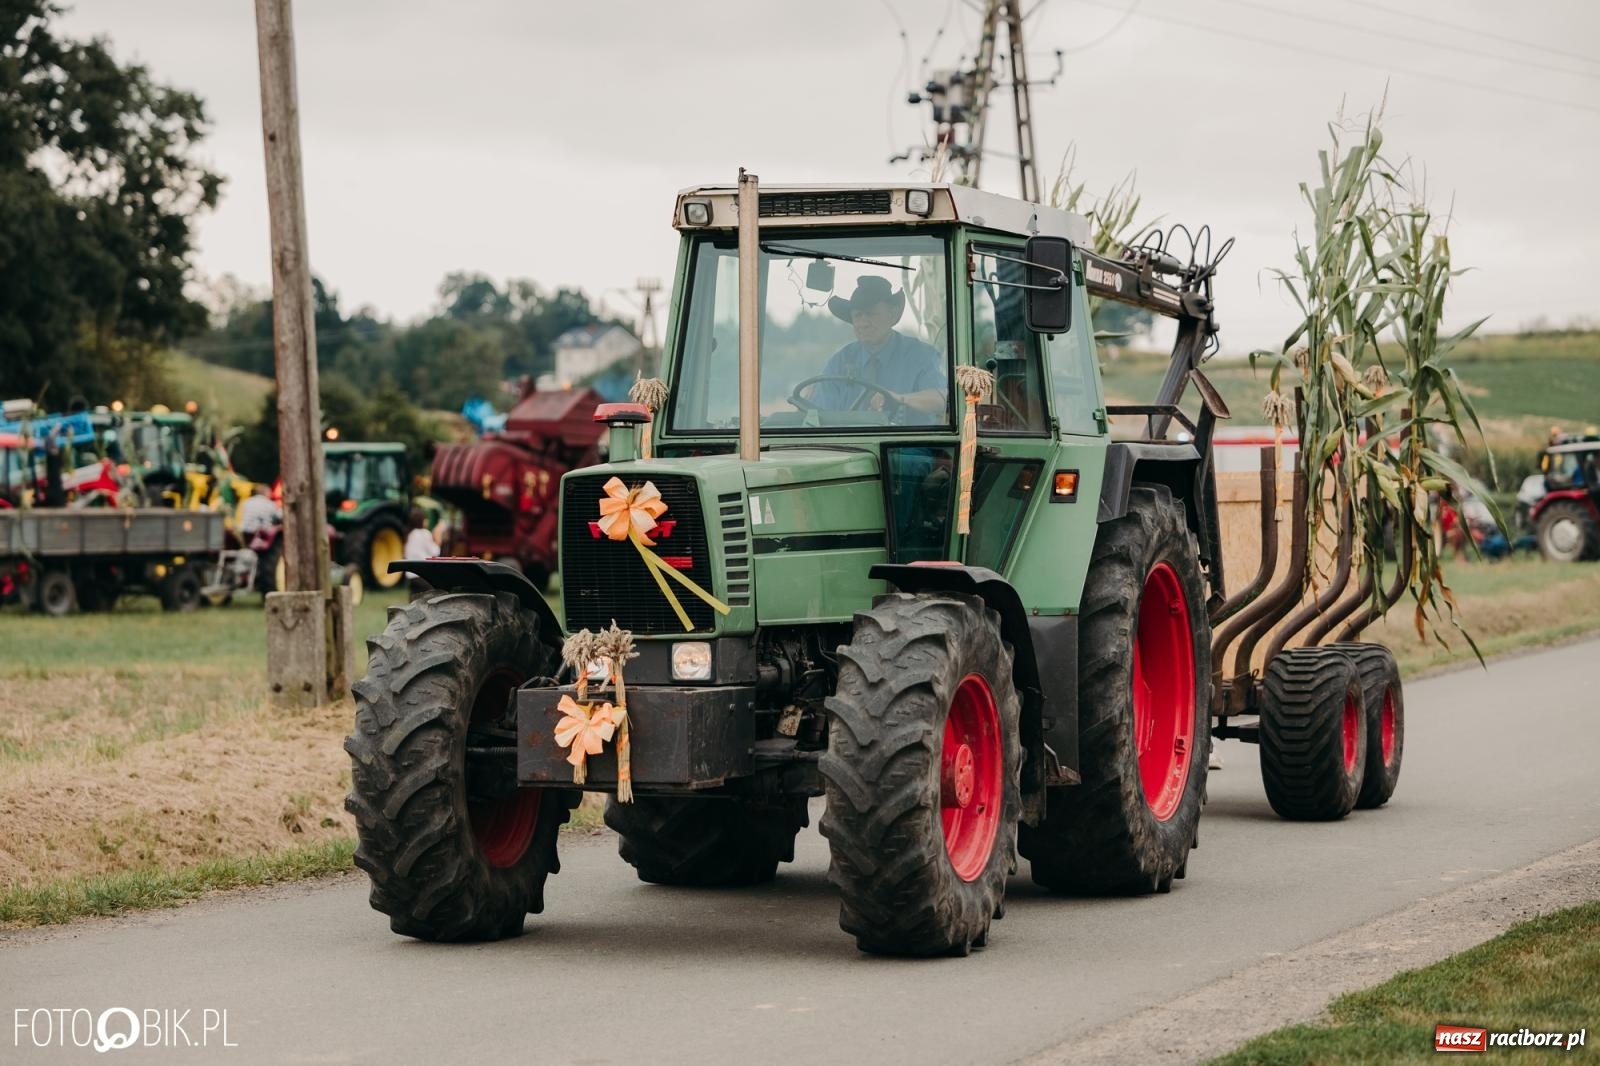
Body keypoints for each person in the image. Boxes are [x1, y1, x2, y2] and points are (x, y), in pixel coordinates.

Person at [810, 276, 946, 419]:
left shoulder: (920, 355)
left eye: (871, 314)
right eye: (857, 315)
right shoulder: (839, 363)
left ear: (892, 315)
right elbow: (819, 415)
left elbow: (941, 398)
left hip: (907, 441)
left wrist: (898, 399)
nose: (863, 323)